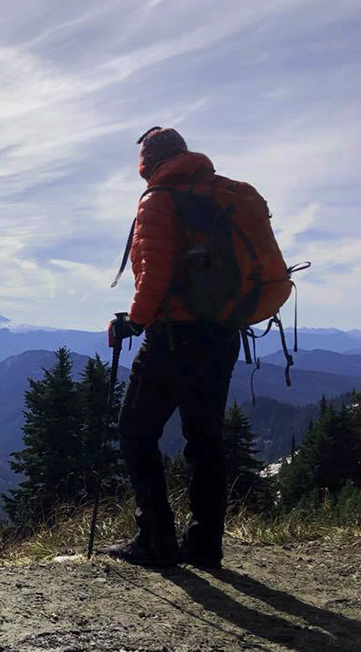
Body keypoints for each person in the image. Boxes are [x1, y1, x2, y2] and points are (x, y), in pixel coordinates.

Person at [104, 127, 241, 569]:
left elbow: (154, 274)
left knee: (135, 430)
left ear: (148, 162)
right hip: (223, 332)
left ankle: (156, 540)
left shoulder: (159, 199)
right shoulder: (222, 193)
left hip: (174, 334)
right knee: (204, 437)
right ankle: (204, 544)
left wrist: (134, 322)